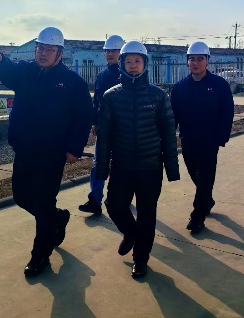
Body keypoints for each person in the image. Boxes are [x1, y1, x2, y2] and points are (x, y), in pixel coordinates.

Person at [0, 27, 92, 277]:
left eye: (49, 49)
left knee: (43, 203)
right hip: (24, 148)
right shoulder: (26, 72)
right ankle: (58, 218)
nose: (43, 53)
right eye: (40, 48)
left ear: (60, 53)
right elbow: (9, 72)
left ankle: (40, 255)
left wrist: (74, 148)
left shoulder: (72, 82)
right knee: (22, 197)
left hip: (52, 153)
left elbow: (83, 117)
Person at [95, 41, 180, 279]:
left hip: (149, 167)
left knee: (147, 214)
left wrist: (172, 169)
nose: (133, 65)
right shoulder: (111, 96)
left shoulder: (158, 96)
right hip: (121, 165)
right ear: (122, 64)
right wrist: (101, 170)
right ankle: (130, 232)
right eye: (129, 61)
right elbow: (104, 137)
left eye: (137, 61)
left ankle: (140, 259)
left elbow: (168, 134)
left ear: (145, 64)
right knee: (114, 205)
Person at [170, 41, 234, 234]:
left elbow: (227, 112)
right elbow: (173, 115)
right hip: (188, 140)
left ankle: (197, 217)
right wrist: (170, 137)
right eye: (192, 59)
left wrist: (222, 136)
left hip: (210, 141)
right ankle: (207, 200)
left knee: (205, 177)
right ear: (187, 62)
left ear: (207, 61)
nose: (195, 63)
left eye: (200, 59)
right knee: (195, 174)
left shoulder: (219, 85)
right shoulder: (180, 88)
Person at [78, 35, 124, 215]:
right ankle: (94, 200)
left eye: (113, 51)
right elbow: (97, 101)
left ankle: (122, 197)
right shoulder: (102, 75)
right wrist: (94, 122)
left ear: (121, 52)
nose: (110, 54)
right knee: (98, 164)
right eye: (107, 51)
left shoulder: (127, 75)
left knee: (120, 165)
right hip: (104, 127)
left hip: (122, 129)